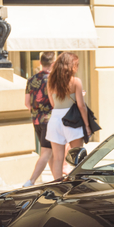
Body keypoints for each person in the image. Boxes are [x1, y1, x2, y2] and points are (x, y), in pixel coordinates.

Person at [46, 52, 91, 180]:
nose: (77, 68)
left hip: (55, 121)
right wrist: (87, 125)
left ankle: (58, 187)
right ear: (70, 66)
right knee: (78, 156)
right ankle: (78, 184)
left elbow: (53, 103)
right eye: (76, 65)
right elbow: (81, 106)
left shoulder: (50, 82)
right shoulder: (76, 81)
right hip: (72, 121)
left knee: (58, 158)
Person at [23, 52, 55, 187]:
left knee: (50, 152)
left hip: (36, 120)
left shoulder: (31, 80)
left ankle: (57, 180)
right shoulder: (54, 80)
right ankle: (31, 181)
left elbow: (26, 103)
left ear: (40, 63)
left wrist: (36, 112)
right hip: (50, 120)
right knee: (47, 152)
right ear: (53, 63)